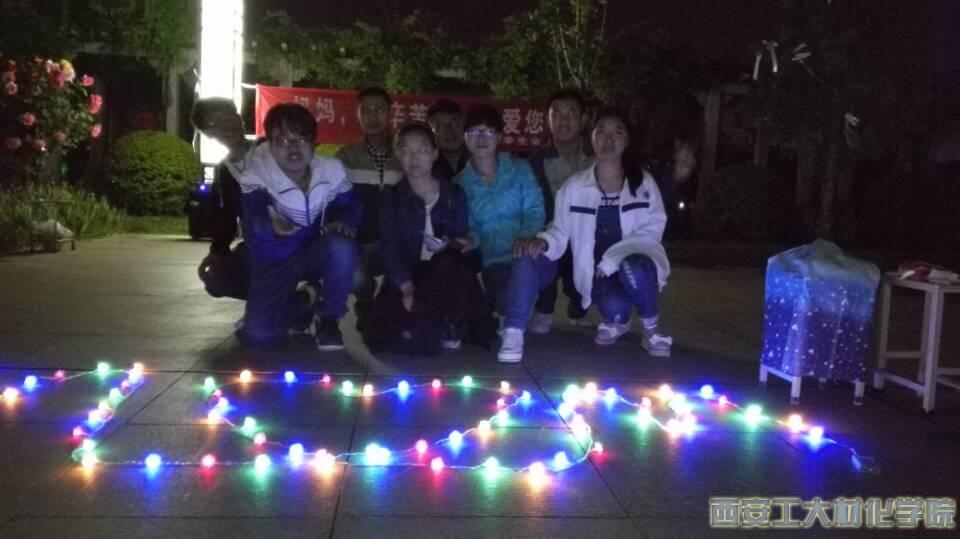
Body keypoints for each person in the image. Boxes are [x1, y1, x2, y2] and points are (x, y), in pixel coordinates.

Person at [497, 108, 673, 363]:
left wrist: (613, 258)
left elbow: (654, 228)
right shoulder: (575, 186)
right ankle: (617, 321)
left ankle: (652, 329)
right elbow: (560, 230)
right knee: (613, 307)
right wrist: (543, 242)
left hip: (635, 264)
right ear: (591, 138)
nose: (608, 139)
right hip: (597, 273)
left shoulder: (642, 182)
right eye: (601, 132)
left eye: (617, 132)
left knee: (634, 267)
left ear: (627, 140)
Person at [238, 103, 361, 351]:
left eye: (302, 139)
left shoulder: (331, 170)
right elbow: (256, 215)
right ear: (270, 144)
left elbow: (353, 206)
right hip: (275, 259)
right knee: (260, 336)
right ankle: (308, 296)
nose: (294, 147)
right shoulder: (256, 175)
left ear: (313, 143)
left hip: (312, 253)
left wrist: (344, 221)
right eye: (283, 140)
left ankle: (329, 319)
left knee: (342, 247)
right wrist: (272, 226)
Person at [190, 98, 317, 334]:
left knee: (260, 329)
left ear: (239, 118)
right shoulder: (225, 171)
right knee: (215, 278)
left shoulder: (273, 150)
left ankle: (275, 309)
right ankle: (300, 301)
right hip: (258, 246)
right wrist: (217, 251)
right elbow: (227, 216)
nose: (225, 127)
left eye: (228, 118)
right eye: (214, 124)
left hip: (297, 241)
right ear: (207, 133)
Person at [366, 123, 495, 355]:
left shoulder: (453, 194)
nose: (414, 158)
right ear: (397, 154)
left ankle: (450, 321)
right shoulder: (391, 197)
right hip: (409, 273)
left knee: (447, 262)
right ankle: (430, 321)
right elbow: (391, 248)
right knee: (384, 340)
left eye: (422, 150)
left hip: (445, 274)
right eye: (406, 150)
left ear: (434, 154)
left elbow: (461, 237)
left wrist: (453, 242)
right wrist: (407, 287)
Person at [454, 105, 545, 319]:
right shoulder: (459, 184)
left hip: (528, 251)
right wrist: (470, 239)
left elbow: (534, 210)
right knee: (504, 300)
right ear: (465, 137)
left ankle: (531, 308)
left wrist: (525, 237)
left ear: (499, 137)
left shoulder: (520, 168)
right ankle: (517, 308)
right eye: (474, 131)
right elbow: (471, 226)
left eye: (488, 131)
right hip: (494, 261)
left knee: (524, 277)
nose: (481, 138)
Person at [334, 87, 403, 330]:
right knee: (355, 277)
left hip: (396, 242)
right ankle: (365, 300)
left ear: (391, 113)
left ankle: (385, 305)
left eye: (379, 110)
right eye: (366, 111)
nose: (373, 117)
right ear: (358, 114)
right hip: (358, 242)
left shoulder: (404, 153)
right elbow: (335, 202)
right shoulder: (346, 156)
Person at [527, 89, 595, 333]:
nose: (564, 120)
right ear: (547, 119)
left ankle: (580, 305)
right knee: (543, 249)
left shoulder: (597, 158)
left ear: (584, 119)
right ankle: (544, 307)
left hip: (587, 235)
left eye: (571, 113)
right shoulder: (536, 160)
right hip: (552, 231)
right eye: (556, 114)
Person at [426, 99, 468, 180]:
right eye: (439, 126)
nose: (449, 130)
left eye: (454, 123)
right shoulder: (427, 167)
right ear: (432, 135)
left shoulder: (482, 159)